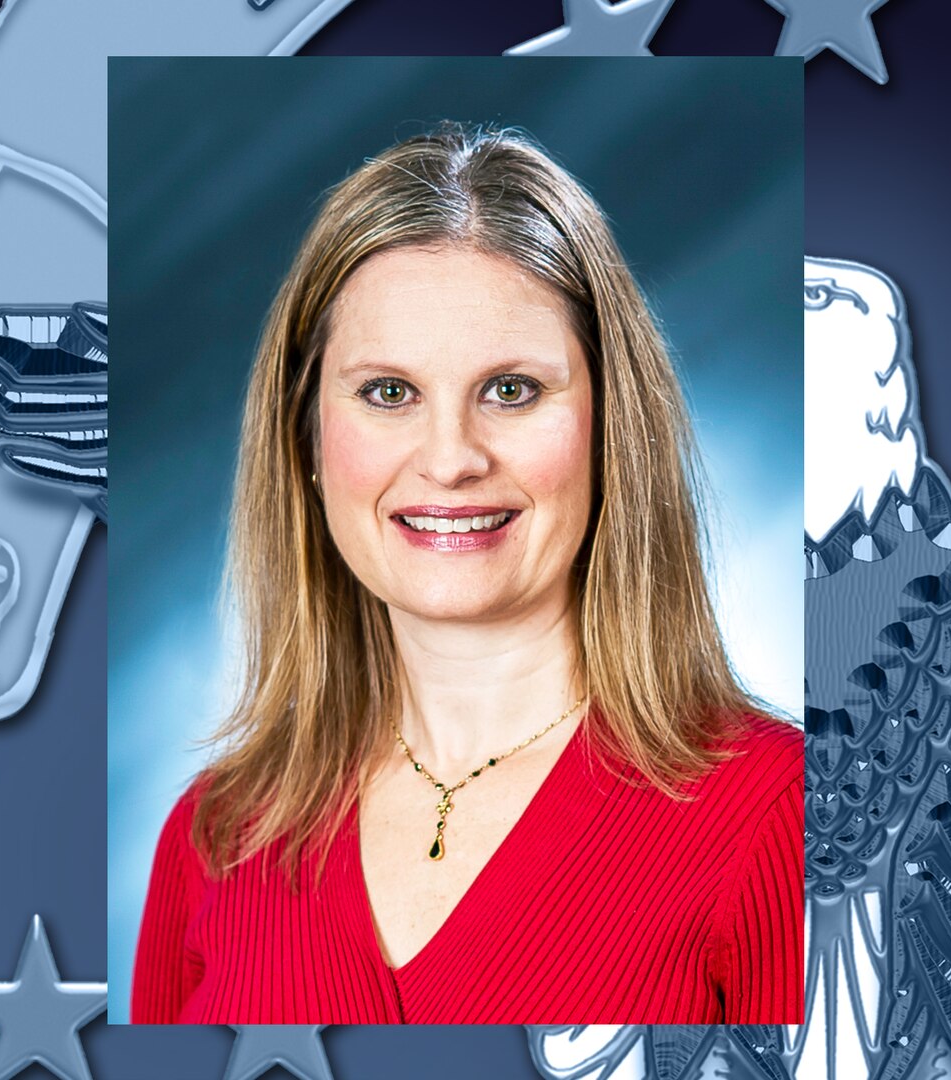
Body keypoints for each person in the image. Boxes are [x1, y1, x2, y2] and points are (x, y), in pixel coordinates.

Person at [129, 122, 801, 1023]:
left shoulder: (782, 815)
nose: (450, 460)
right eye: (388, 393)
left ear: (611, 426)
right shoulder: (215, 835)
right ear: (308, 437)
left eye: (511, 390)